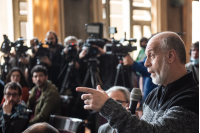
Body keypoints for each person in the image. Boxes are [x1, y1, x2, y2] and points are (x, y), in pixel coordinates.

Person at [76, 31, 199, 132]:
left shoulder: (192, 99)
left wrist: (108, 106)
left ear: (171, 56)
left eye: (151, 55)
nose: (146, 63)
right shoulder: (154, 95)